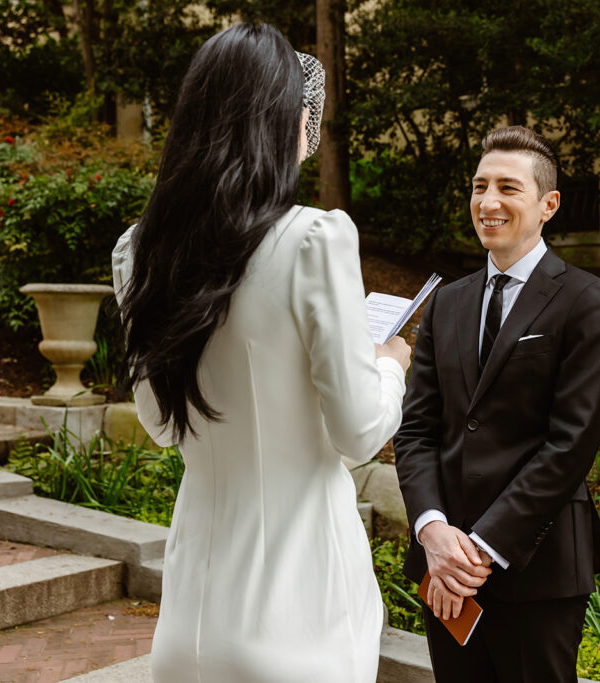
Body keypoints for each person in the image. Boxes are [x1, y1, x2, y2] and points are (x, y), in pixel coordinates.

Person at [111, 23, 410, 682]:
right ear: (284, 121)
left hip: (191, 619)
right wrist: (390, 363)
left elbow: (161, 425)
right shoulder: (313, 239)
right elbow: (358, 430)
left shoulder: (141, 250)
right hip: (301, 613)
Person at [393, 125, 600, 683]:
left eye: (507, 188)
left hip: (535, 566)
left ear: (548, 205)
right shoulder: (447, 302)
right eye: (478, 186)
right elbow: (417, 428)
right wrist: (432, 531)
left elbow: (570, 445)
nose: (487, 202)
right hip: (443, 567)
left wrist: (479, 550)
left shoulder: (589, 302)